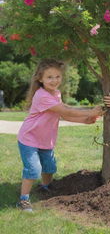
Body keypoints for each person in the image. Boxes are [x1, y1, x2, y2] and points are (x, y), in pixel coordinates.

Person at [17, 59, 104, 212]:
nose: (54, 80)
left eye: (57, 76)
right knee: (33, 169)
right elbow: (66, 111)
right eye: (49, 77)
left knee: (50, 168)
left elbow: (62, 114)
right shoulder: (42, 95)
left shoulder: (56, 94)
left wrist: (85, 120)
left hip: (45, 140)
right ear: (40, 78)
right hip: (29, 139)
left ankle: (45, 187)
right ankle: (23, 200)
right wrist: (90, 112)